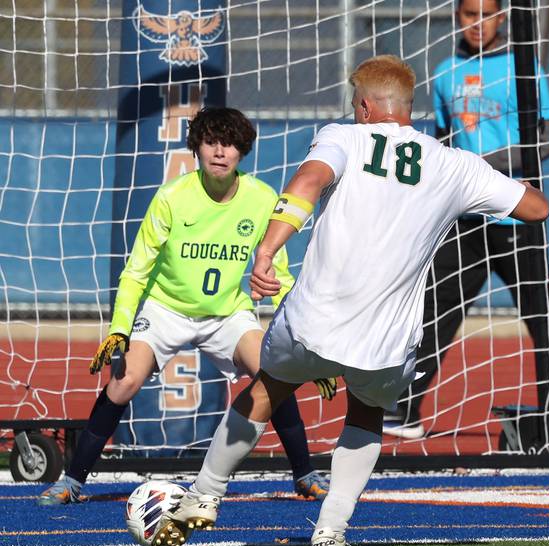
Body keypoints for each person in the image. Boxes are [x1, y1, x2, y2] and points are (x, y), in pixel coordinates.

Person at [156, 54, 549, 546]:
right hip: (384, 341)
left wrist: (267, 250)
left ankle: (205, 495)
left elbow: (307, 183)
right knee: (366, 412)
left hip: (311, 322)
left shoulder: (343, 136)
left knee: (267, 389)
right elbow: (537, 208)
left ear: (364, 107)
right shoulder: (453, 165)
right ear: (407, 108)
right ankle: (330, 533)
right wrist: (481, 177)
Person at [38, 107, 331, 507]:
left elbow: (277, 276)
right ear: (197, 146)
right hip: (166, 310)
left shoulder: (263, 199)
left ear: (242, 151)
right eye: (211, 141)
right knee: (124, 381)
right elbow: (136, 271)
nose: (220, 151)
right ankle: (72, 480)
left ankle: (305, 474)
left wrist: (303, 342)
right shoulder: (172, 197)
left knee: (273, 374)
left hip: (228, 312)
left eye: (229, 144)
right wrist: (120, 328)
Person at [383, 0, 549, 440]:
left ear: (501, 18)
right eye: (467, 13)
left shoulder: (523, 65)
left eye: (485, 14)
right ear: (457, 17)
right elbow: (441, 144)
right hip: (465, 221)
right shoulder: (444, 71)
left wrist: (484, 166)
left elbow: (547, 139)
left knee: (541, 318)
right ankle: (405, 412)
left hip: (516, 218)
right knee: (434, 315)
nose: (477, 22)